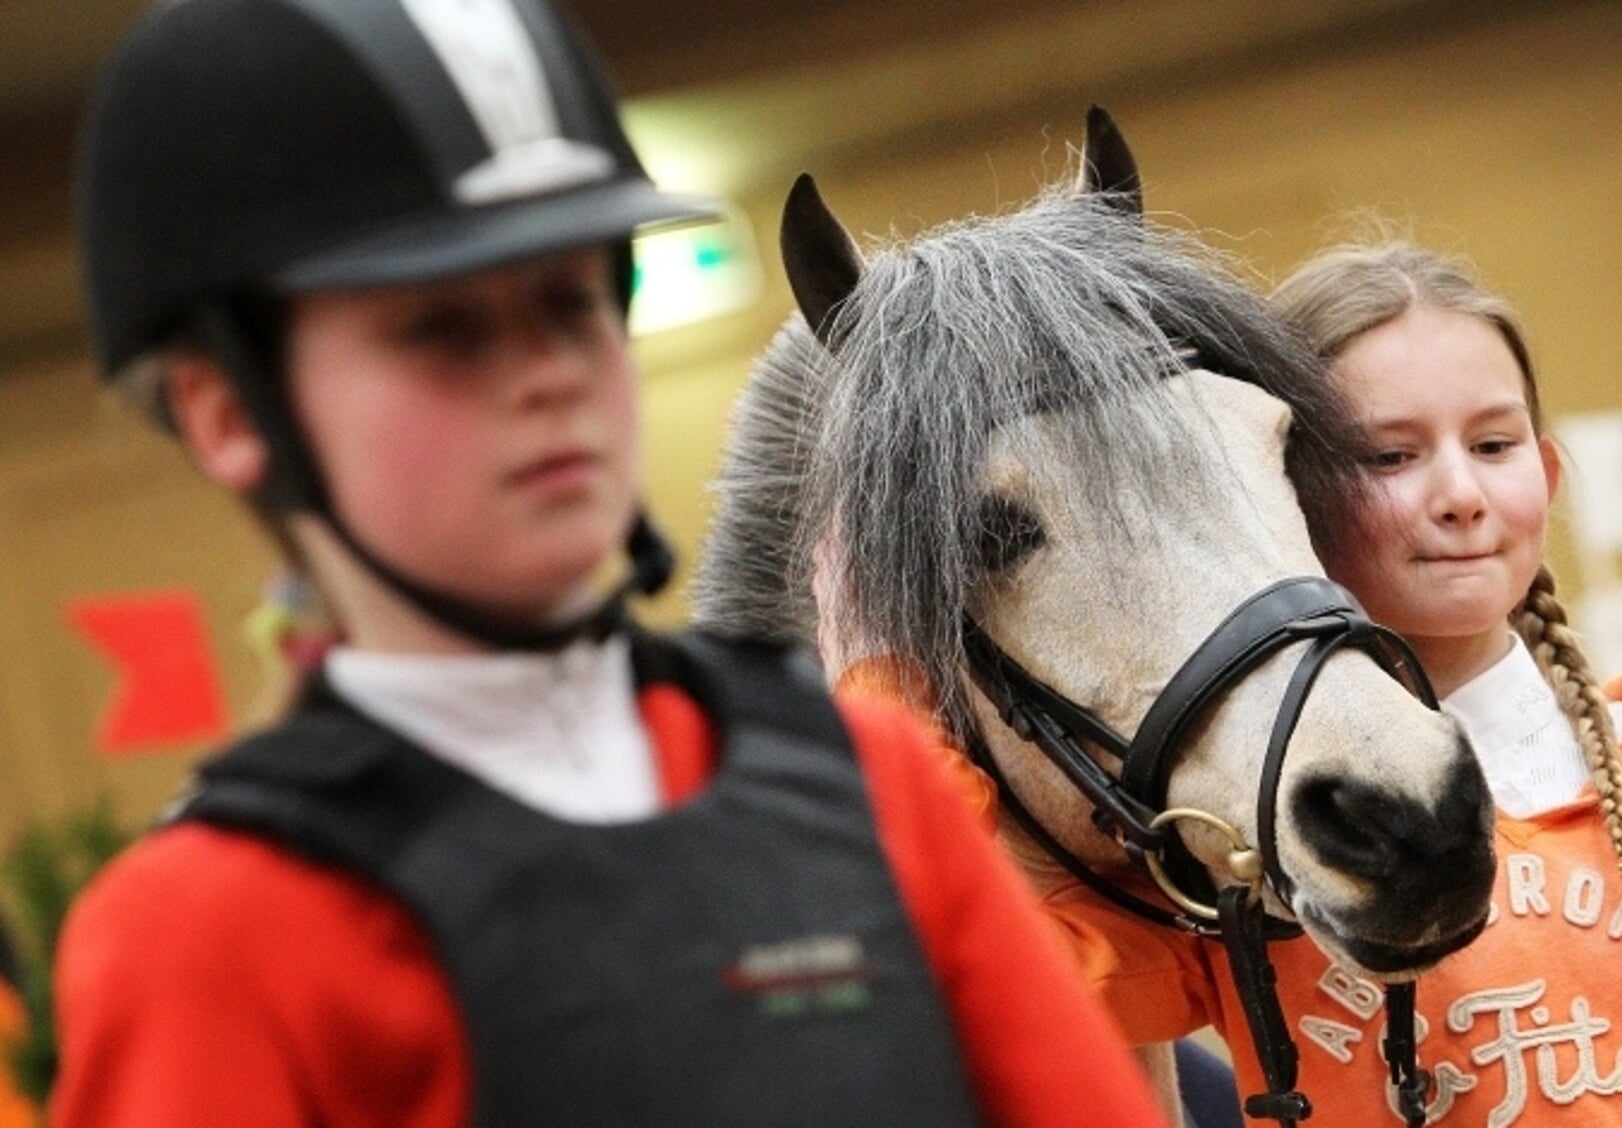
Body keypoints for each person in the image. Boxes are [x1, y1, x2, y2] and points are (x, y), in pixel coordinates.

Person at [49, 2, 1170, 1125]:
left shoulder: (867, 780)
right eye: (443, 328)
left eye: (573, 302)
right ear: (227, 412)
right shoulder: (203, 931)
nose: (549, 374)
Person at [829, 236, 1622, 1125]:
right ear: (1284, 493)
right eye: (1390, 457)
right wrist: (884, 656)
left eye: (1493, 446)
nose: (1457, 494)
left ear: (1546, 474)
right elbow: (991, 965)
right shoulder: (1232, 866)